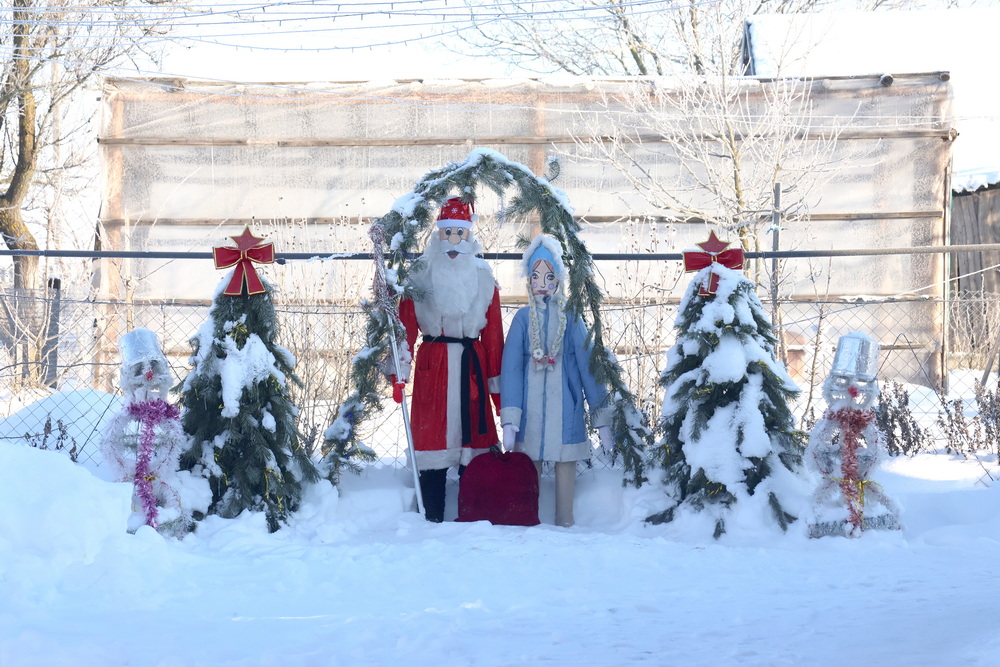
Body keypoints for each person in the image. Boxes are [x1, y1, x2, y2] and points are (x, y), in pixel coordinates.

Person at [393, 197, 504, 522]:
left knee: (474, 448)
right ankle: (431, 516)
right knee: (433, 443)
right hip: (434, 370)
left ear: (469, 236)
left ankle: (473, 516)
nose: (453, 241)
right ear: (437, 235)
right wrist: (399, 372)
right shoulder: (420, 276)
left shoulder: (484, 279)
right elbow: (404, 327)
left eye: (460, 233)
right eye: (447, 233)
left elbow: (494, 338)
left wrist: (498, 395)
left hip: (472, 369)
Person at [500, 234, 612, 527]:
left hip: (567, 403)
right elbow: (511, 368)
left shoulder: (572, 318)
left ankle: (566, 520)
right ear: (528, 279)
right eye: (536, 276)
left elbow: (589, 365)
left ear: (559, 278)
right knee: (530, 463)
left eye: (549, 276)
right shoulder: (523, 319)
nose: (542, 283)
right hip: (530, 407)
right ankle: (530, 517)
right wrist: (510, 416)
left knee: (566, 460)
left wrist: (602, 417)